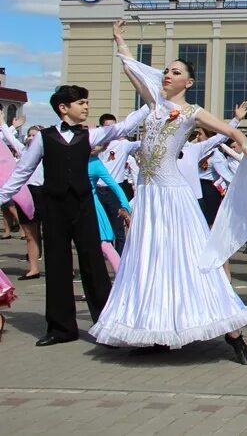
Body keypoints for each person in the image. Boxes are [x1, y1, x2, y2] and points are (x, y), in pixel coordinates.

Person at [88, 19, 247, 363]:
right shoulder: (153, 105)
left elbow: (231, 131)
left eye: (176, 71)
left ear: (190, 81)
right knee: (150, 261)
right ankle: (157, 330)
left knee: (190, 258)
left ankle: (233, 333)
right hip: (149, 196)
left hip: (173, 195)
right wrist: (119, 39)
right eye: (166, 70)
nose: (168, 75)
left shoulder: (191, 112)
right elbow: (132, 70)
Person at [0, 83, 149, 347]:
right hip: (54, 208)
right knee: (57, 264)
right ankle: (61, 328)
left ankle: (105, 324)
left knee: (93, 263)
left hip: (83, 206)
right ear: (63, 108)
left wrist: (152, 101)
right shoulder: (42, 138)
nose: (86, 107)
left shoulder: (89, 135)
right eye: (81, 103)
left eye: (86, 102)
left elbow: (123, 127)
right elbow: (21, 172)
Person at [0, 119, 41, 279]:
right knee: (30, 234)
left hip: (45, 193)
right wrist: (5, 124)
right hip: (26, 193)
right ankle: (33, 268)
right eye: (30, 135)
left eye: (35, 136)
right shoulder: (24, 151)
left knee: (53, 234)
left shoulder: (48, 153)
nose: (31, 138)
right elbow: (9, 138)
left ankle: (64, 269)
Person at [88, 142, 132, 274]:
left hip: (91, 207)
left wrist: (125, 205)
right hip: (71, 206)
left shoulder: (95, 163)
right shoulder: (73, 159)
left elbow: (114, 185)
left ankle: (121, 277)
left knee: (104, 243)